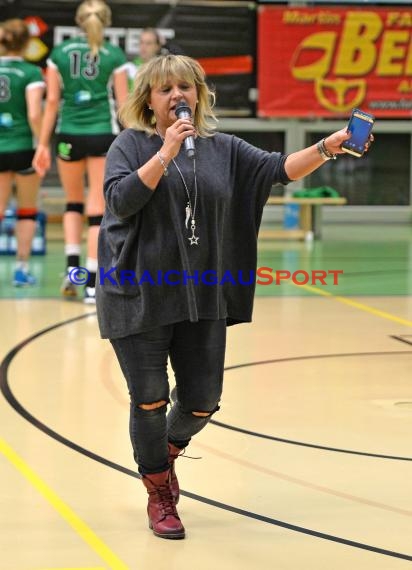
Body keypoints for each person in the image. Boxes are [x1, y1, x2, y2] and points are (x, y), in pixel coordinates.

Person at [96, 54, 372, 540]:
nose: (177, 96)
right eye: (166, 90)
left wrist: (328, 147)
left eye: (186, 87)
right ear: (149, 101)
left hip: (202, 295)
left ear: (199, 95)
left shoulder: (224, 149)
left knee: (202, 401)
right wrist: (164, 153)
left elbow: (280, 169)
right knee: (150, 400)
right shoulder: (130, 144)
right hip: (138, 292)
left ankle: (162, 459)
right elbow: (120, 201)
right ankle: (159, 493)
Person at [32, 0, 128, 303]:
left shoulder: (59, 54)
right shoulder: (115, 55)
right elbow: (123, 104)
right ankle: (91, 283)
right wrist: (134, 140)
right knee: (97, 206)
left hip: (69, 133)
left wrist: (43, 144)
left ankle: (72, 273)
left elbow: (51, 103)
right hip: (103, 134)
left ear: (77, 21)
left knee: (73, 203)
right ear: (107, 21)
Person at [0, 19, 45, 286]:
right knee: (27, 209)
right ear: (26, 44)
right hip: (23, 148)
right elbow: (33, 113)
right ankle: (21, 268)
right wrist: (41, 145)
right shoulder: (31, 73)